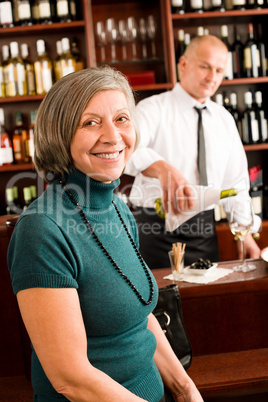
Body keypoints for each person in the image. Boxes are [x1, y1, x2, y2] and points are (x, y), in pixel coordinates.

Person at [8, 66, 203, 402]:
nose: (113, 137)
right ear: (59, 133)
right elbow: (71, 378)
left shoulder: (118, 209)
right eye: (90, 122)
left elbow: (139, 317)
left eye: (122, 119)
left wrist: (185, 389)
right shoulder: (42, 229)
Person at [125, 34, 261, 269]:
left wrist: (244, 233)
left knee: (205, 302)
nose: (212, 77)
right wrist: (161, 168)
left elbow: (236, 181)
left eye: (219, 70)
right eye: (205, 67)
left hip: (204, 230)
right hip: (154, 229)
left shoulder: (224, 119)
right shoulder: (151, 108)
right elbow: (127, 149)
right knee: (159, 304)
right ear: (184, 64)